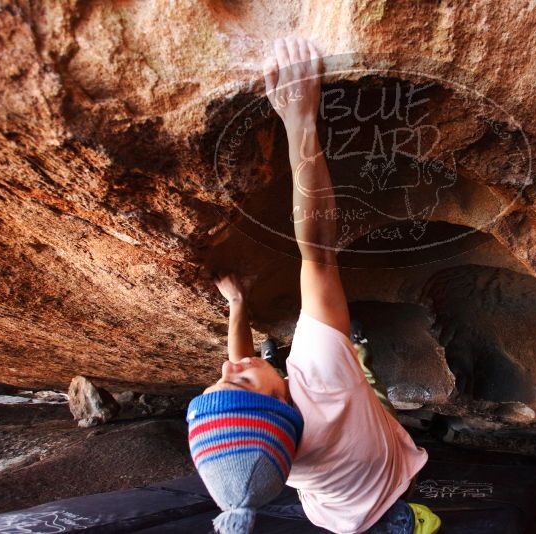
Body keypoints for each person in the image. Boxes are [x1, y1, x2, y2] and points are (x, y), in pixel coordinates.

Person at [185, 36, 439, 534]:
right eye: (237, 377)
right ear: (283, 404)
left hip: (338, 516)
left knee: (282, 364)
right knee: (360, 380)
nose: (226, 364)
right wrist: (300, 119)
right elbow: (318, 255)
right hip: (391, 482)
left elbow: (243, 397)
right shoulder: (324, 385)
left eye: (219, 377)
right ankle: (407, 516)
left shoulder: (271, 461)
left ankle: (303, 358)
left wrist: (238, 308)